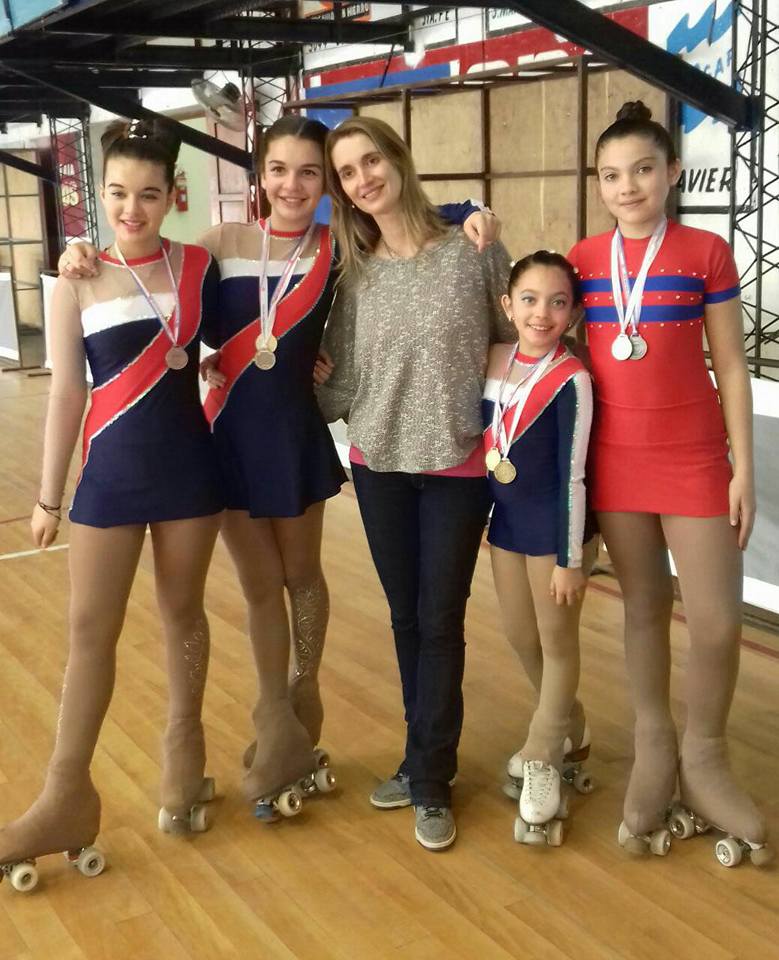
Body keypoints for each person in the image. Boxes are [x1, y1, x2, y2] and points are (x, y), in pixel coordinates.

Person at [60, 114, 499, 821]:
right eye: (278, 170)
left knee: (303, 577)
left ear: (327, 185)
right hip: (225, 437)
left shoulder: (342, 245)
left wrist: (470, 209)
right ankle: (273, 724)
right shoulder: (217, 246)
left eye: (310, 172)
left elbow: (407, 214)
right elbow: (149, 274)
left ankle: (303, 700)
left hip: (293, 434)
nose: (293, 185)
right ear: (260, 177)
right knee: (260, 586)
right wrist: (80, 249)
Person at [0, 120, 223, 893]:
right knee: (89, 632)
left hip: (190, 471)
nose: (133, 208)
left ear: (171, 196)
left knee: (183, 615)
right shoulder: (76, 278)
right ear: (99, 194)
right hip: (111, 478)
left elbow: (228, 339)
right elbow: (66, 393)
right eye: (119, 192)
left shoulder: (198, 264)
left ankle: (184, 760)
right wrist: (47, 495)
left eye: (149, 194)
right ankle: (66, 793)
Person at [567, 101, 771, 865]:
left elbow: (731, 365)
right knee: (643, 608)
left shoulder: (704, 252)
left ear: (672, 173)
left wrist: (742, 467)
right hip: (616, 460)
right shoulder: (584, 259)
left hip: (693, 457)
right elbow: (544, 338)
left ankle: (705, 754)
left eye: (642, 170)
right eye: (611, 175)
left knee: (714, 622)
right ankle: (654, 744)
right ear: (597, 183)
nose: (627, 187)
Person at [318, 116, 516, 851]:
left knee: (439, 620)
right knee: (406, 619)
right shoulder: (355, 275)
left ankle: (432, 779)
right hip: (379, 468)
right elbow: (339, 376)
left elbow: (518, 339)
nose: (363, 178)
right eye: (347, 172)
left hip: (457, 466)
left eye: (371, 160)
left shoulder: (471, 249)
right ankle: (418, 756)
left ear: (398, 159)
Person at [484, 250, 596, 847]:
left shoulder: (572, 378)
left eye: (557, 303)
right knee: (520, 635)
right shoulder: (494, 359)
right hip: (506, 523)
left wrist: (570, 559)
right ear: (508, 305)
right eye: (529, 299)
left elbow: (573, 474)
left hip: (555, 529)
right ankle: (572, 727)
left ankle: (544, 751)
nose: (541, 313)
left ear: (572, 314)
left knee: (556, 643)